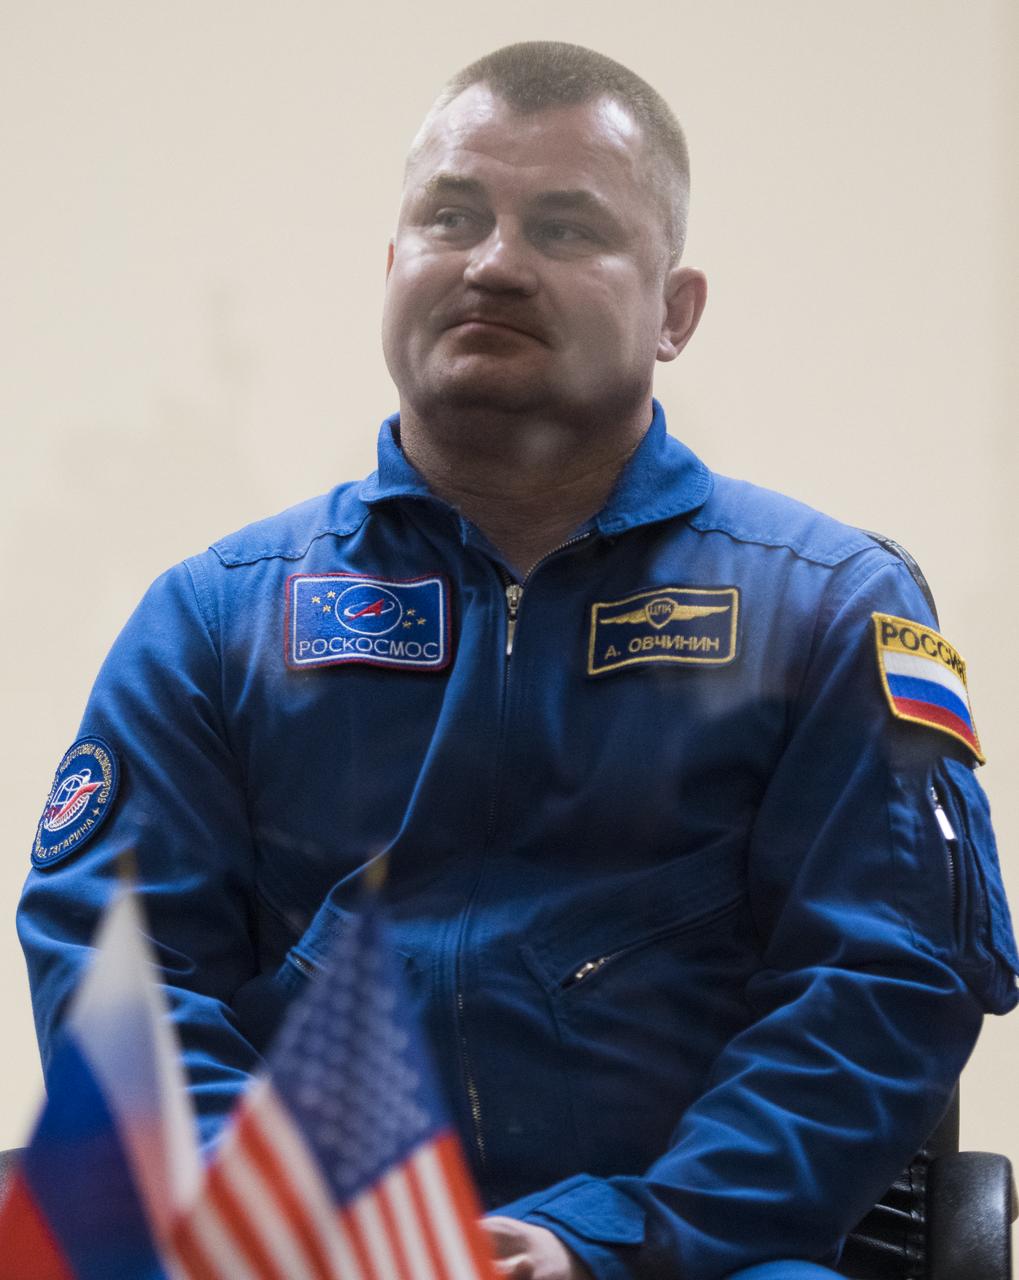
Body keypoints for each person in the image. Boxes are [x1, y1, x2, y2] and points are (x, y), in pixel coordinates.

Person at [18, 41, 1018, 1280]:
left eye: (564, 226)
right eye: (450, 216)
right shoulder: (215, 617)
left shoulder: (826, 608)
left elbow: (879, 981)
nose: (493, 262)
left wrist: (601, 1238)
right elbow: (119, 970)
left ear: (674, 310)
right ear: (390, 269)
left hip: (686, 1249)